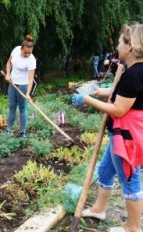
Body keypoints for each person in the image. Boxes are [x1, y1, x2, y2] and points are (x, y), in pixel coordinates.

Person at [73, 23, 143, 232]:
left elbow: (119, 109)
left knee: (129, 179)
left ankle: (132, 227)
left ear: (131, 47)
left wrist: (86, 99)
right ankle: (98, 209)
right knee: (105, 171)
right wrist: (96, 90)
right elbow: (115, 93)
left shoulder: (135, 74)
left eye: (121, 42)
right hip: (118, 133)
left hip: (126, 135)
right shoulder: (129, 69)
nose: (117, 46)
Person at [5, 35, 36, 138]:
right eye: (25, 52)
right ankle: (9, 130)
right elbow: (9, 63)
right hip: (12, 84)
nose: (27, 54)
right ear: (21, 48)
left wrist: (28, 93)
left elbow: (31, 78)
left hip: (23, 86)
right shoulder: (16, 50)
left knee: (22, 108)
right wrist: (8, 74)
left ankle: (22, 132)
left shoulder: (31, 60)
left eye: (29, 53)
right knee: (12, 107)